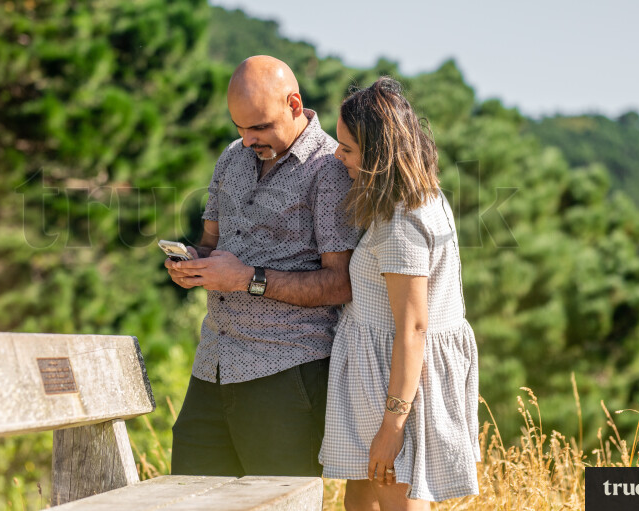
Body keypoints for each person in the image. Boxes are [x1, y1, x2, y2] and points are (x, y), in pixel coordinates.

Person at [165, 55, 360, 477]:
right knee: (189, 501)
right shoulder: (231, 158)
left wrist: (246, 280)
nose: (249, 139)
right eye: (240, 127)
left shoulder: (330, 169)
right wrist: (193, 266)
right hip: (212, 364)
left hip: (286, 373)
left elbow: (340, 283)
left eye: (260, 127)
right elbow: (211, 244)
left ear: (294, 104)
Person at [319, 77, 480, 510]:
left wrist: (392, 427)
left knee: (393, 499)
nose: (339, 156)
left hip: (390, 381)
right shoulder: (427, 197)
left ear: (377, 155)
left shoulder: (399, 221)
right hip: (390, 376)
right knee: (361, 500)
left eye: (348, 149)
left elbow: (412, 328)